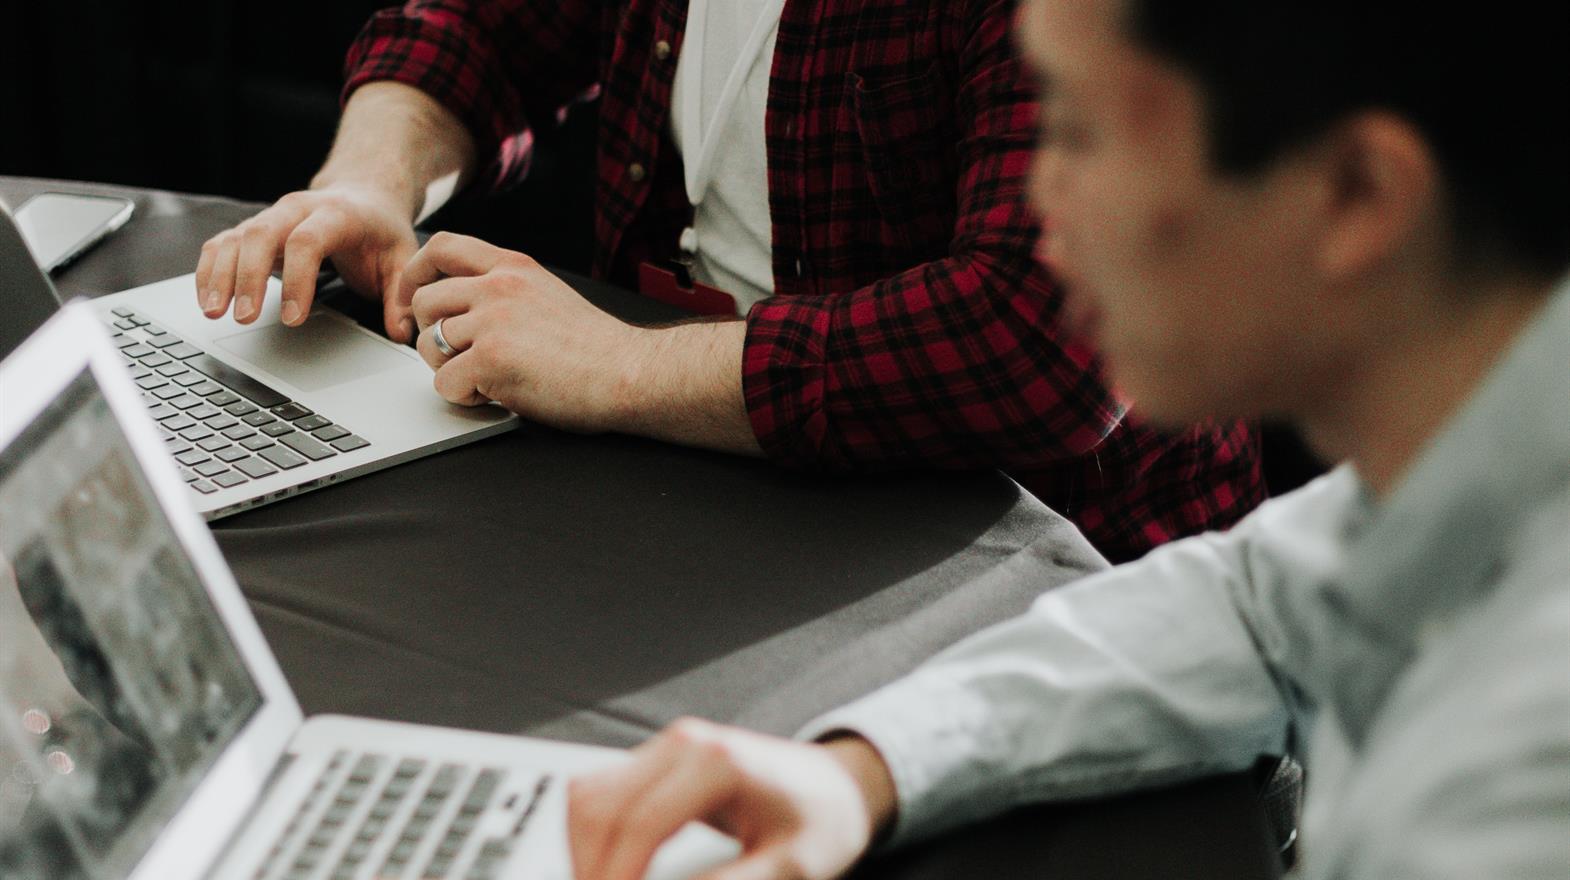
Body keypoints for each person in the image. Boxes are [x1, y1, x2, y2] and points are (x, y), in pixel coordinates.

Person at [271, 0, 1570, 880]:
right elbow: (1254, 599)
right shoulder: (1471, 449)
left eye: (1075, 129)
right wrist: (859, 766)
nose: (1034, 209)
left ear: (1354, 198)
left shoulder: (1527, 793)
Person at [192, 0, 1265, 565]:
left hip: (1045, 567)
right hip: (703, 472)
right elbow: (480, 31)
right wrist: (370, 185)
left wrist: (617, 364)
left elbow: (1045, 345)